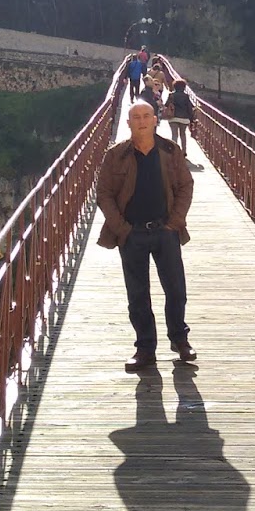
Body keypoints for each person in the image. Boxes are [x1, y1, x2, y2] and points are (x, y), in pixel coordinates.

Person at [97, 100, 196, 371]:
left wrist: (175, 221)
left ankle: (180, 339)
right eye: (136, 117)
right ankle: (145, 349)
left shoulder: (170, 150)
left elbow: (186, 185)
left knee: (176, 289)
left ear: (155, 120)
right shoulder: (115, 155)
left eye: (146, 116)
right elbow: (104, 193)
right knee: (137, 294)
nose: (141, 121)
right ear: (128, 123)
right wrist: (121, 229)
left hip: (165, 230)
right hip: (132, 233)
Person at [166, 78, 196, 156]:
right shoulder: (186, 96)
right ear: (184, 87)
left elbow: (166, 105)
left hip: (173, 117)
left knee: (174, 135)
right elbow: (189, 108)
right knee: (183, 134)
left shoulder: (171, 95)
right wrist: (191, 119)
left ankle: (174, 151)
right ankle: (184, 151)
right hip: (184, 118)